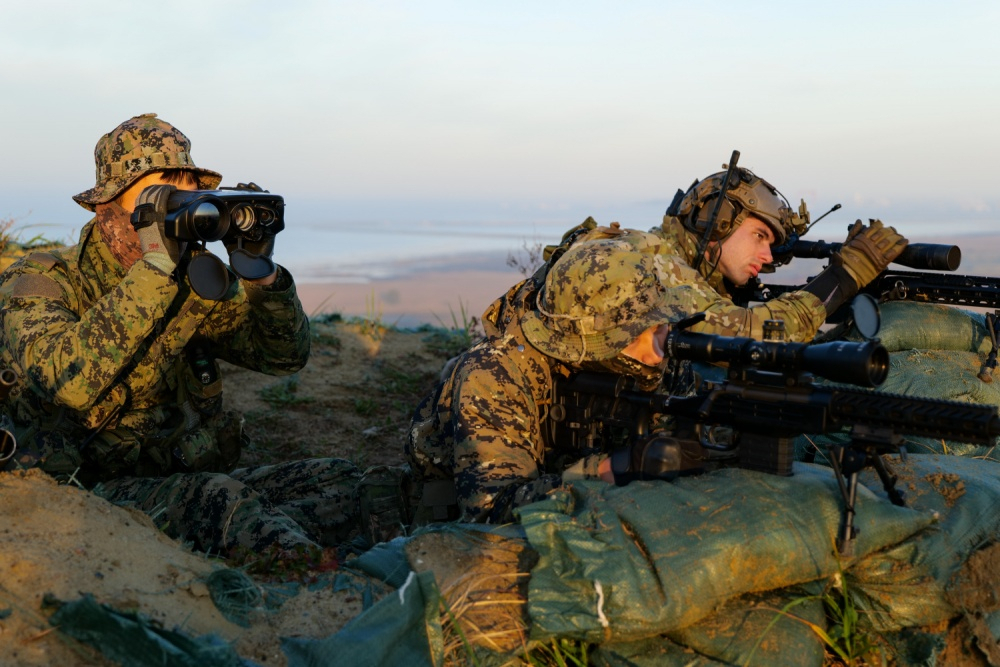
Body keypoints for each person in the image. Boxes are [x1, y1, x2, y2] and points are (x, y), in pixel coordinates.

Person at [0, 113, 367, 555]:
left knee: (341, 481)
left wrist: (260, 273)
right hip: (82, 496)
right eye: (162, 196)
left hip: (178, 481)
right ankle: (300, 569)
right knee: (219, 501)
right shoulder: (43, 279)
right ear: (109, 212)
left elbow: (283, 356)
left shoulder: (189, 278)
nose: (181, 211)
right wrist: (154, 268)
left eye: (188, 194)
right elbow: (67, 382)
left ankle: (263, 538)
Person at [407, 229, 693, 524]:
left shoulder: (657, 362)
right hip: (441, 535)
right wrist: (608, 471)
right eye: (635, 334)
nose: (658, 352)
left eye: (660, 327)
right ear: (591, 342)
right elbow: (491, 515)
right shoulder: (493, 374)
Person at [650, 165, 909, 342]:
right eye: (759, 236)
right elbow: (748, 337)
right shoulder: (657, 265)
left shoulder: (687, 268)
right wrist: (843, 278)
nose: (768, 257)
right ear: (716, 221)